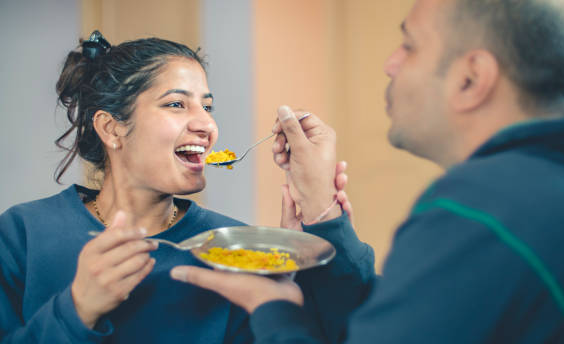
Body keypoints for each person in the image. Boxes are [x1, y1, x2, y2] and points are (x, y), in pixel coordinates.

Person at [170, 0, 564, 342]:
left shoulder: (486, 212)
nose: (391, 63)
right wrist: (323, 215)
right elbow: (401, 322)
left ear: (471, 78)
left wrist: (274, 308)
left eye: (410, 45)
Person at [0, 31, 374, 343]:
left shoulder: (237, 248)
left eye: (207, 107)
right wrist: (76, 309)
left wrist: (278, 291)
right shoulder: (23, 234)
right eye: (177, 104)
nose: (206, 125)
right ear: (112, 128)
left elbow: (356, 329)